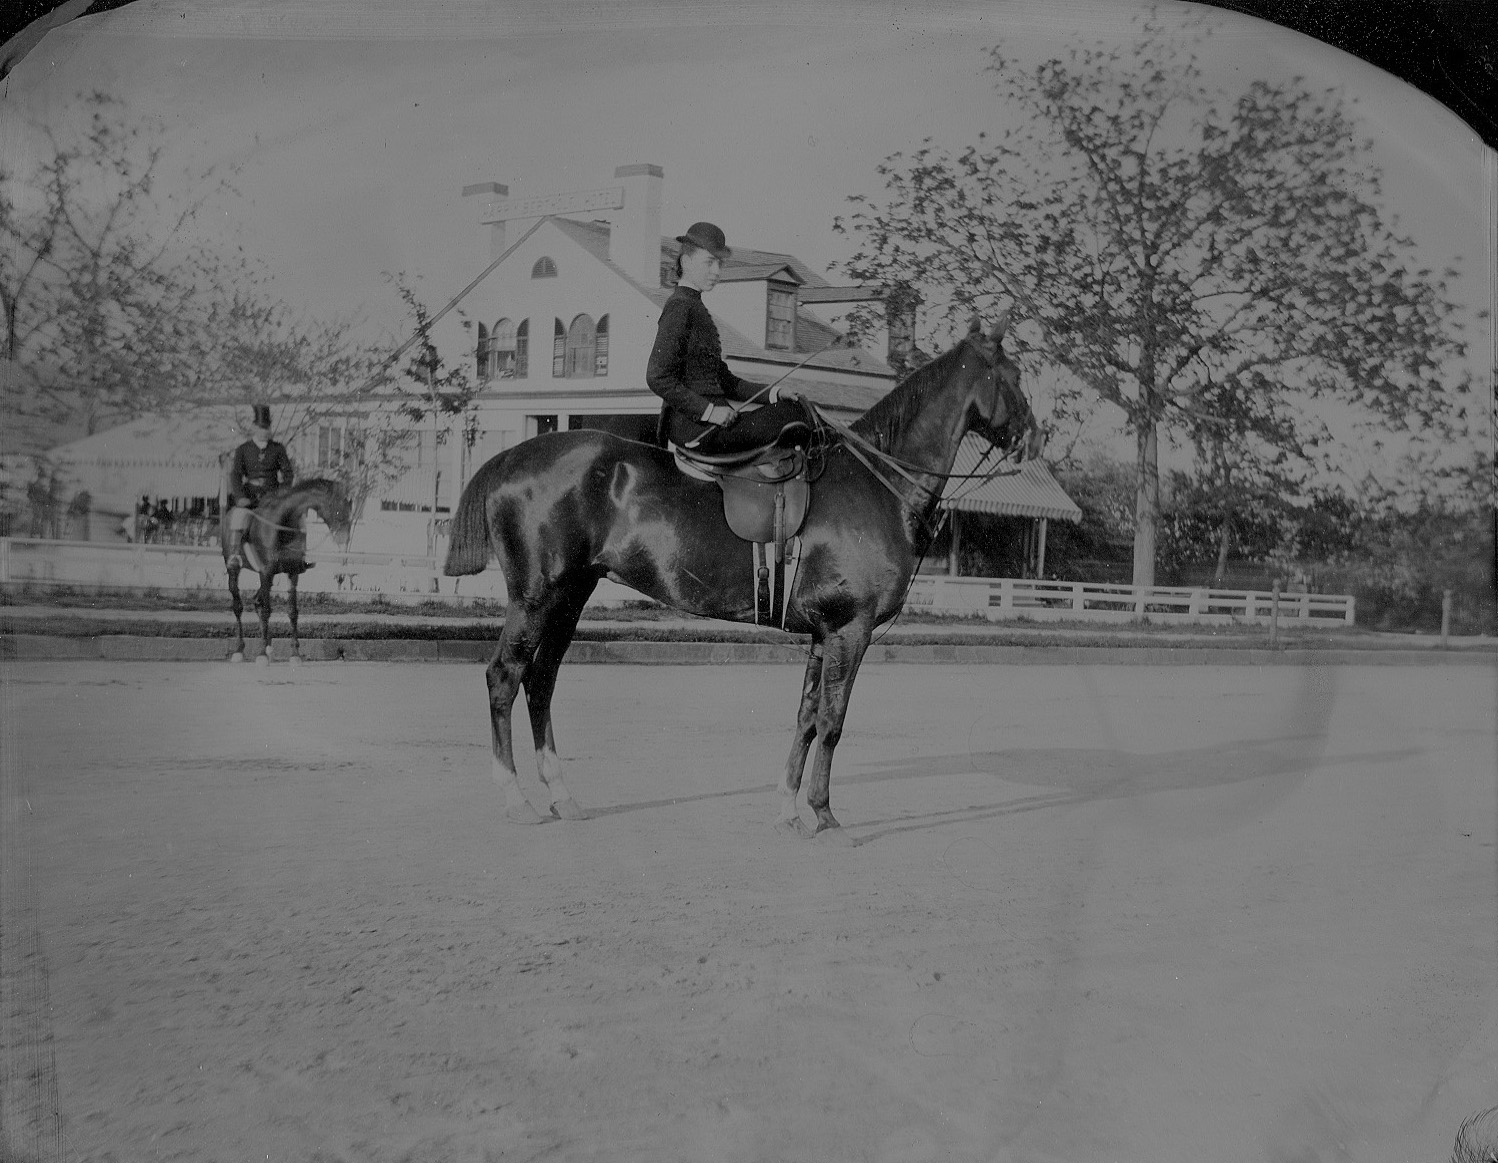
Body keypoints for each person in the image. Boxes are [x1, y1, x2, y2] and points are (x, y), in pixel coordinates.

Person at [647, 221, 810, 455]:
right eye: (709, 262)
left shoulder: (695, 307)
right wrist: (711, 412)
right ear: (686, 262)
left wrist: (775, 393)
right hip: (695, 427)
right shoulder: (680, 307)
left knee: (793, 409)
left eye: (720, 264)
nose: (717, 272)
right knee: (791, 417)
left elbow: (725, 381)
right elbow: (657, 377)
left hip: (716, 422)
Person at [225, 404, 294, 571]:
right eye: (262, 428)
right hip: (250, 498)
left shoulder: (278, 449)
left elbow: (288, 474)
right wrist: (240, 496)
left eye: (267, 427)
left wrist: (281, 494)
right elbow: (235, 475)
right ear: (254, 427)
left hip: (272, 499)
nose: (265, 431)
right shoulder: (243, 449)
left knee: (292, 518)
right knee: (237, 517)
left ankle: (295, 555)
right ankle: (234, 555)